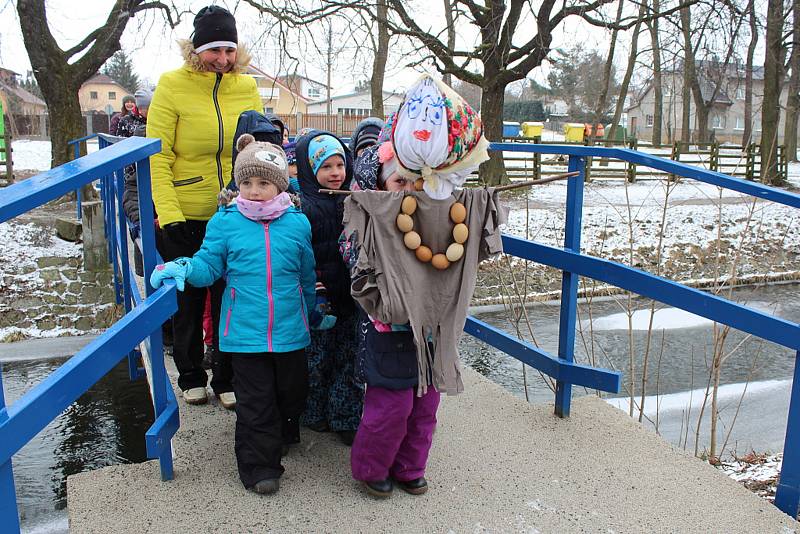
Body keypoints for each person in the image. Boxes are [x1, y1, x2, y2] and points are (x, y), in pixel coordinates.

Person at [151, 134, 333, 495]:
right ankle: (259, 466)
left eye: (263, 182)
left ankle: (280, 433)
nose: (253, 190)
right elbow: (208, 265)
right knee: (255, 401)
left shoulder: (297, 223)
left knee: (291, 393)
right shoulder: (225, 222)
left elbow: (306, 272)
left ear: (279, 184)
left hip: (290, 330)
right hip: (244, 333)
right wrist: (183, 268)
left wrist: (313, 307)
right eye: (246, 182)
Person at [147, 5, 262, 407]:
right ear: (196, 50)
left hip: (234, 210)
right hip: (186, 210)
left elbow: (260, 148)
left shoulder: (246, 87)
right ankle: (191, 373)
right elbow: (157, 156)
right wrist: (170, 212)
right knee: (190, 301)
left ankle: (227, 377)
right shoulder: (171, 85)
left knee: (231, 297)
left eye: (229, 51)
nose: (223, 60)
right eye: (214, 50)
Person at [342, 140, 438, 499]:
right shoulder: (363, 220)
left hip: (428, 332)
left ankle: (410, 466)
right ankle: (372, 467)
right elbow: (354, 262)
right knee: (391, 406)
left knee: (425, 404)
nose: (409, 190)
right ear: (379, 186)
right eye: (399, 182)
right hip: (387, 330)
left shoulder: (434, 216)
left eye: (415, 182)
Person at [295, 130, 363, 445]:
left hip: (351, 296)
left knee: (350, 359)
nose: (335, 173)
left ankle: (345, 415)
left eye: (340, 165)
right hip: (318, 298)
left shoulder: (355, 200)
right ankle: (314, 411)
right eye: (326, 167)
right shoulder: (304, 207)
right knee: (316, 360)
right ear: (311, 170)